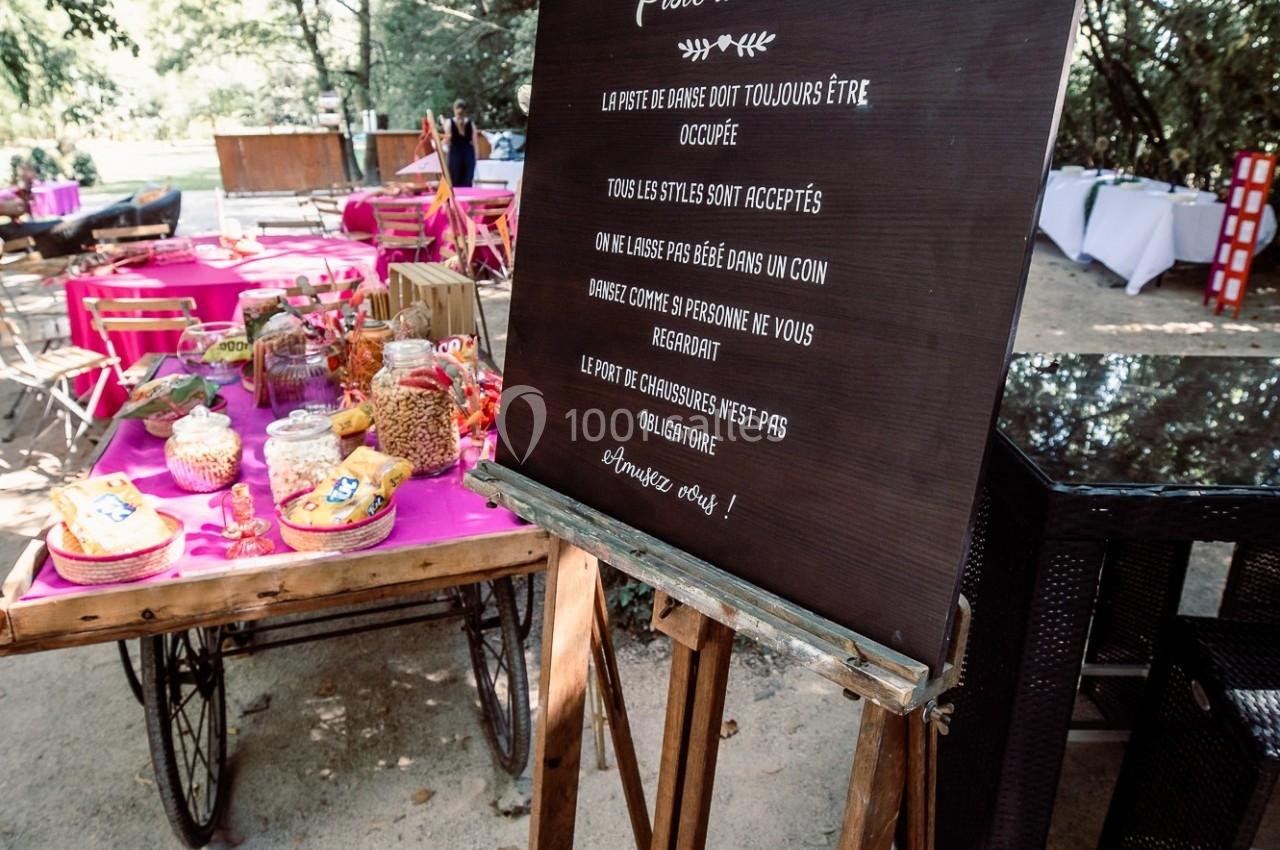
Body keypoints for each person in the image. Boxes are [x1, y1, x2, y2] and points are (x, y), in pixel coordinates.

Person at [441, 99, 478, 188]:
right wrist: (476, 158)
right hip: (468, 155)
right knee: (467, 182)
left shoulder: (449, 123)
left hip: (455, 155)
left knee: (453, 182)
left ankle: (455, 201)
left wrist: (437, 144)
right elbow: (475, 143)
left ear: (454, 109)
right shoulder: (471, 123)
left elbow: (447, 140)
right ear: (465, 111)